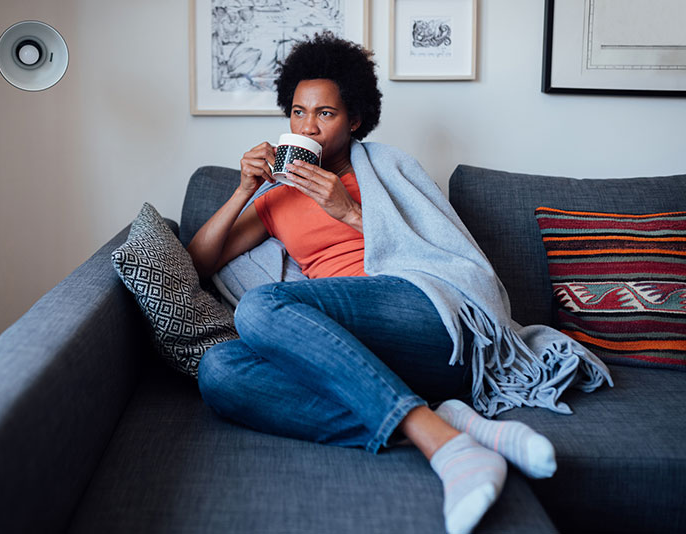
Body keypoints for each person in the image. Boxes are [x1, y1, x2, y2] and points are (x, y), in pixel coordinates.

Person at [187, 33, 609, 534]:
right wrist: (243, 191)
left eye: (326, 114)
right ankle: (443, 425)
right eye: (298, 113)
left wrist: (347, 210)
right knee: (219, 372)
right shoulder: (278, 196)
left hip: (422, 320)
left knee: (258, 309)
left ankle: (443, 445)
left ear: (355, 120)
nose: (308, 127)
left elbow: (446, 257)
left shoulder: (387, 169)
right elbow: (197, 260)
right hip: (351, 352)